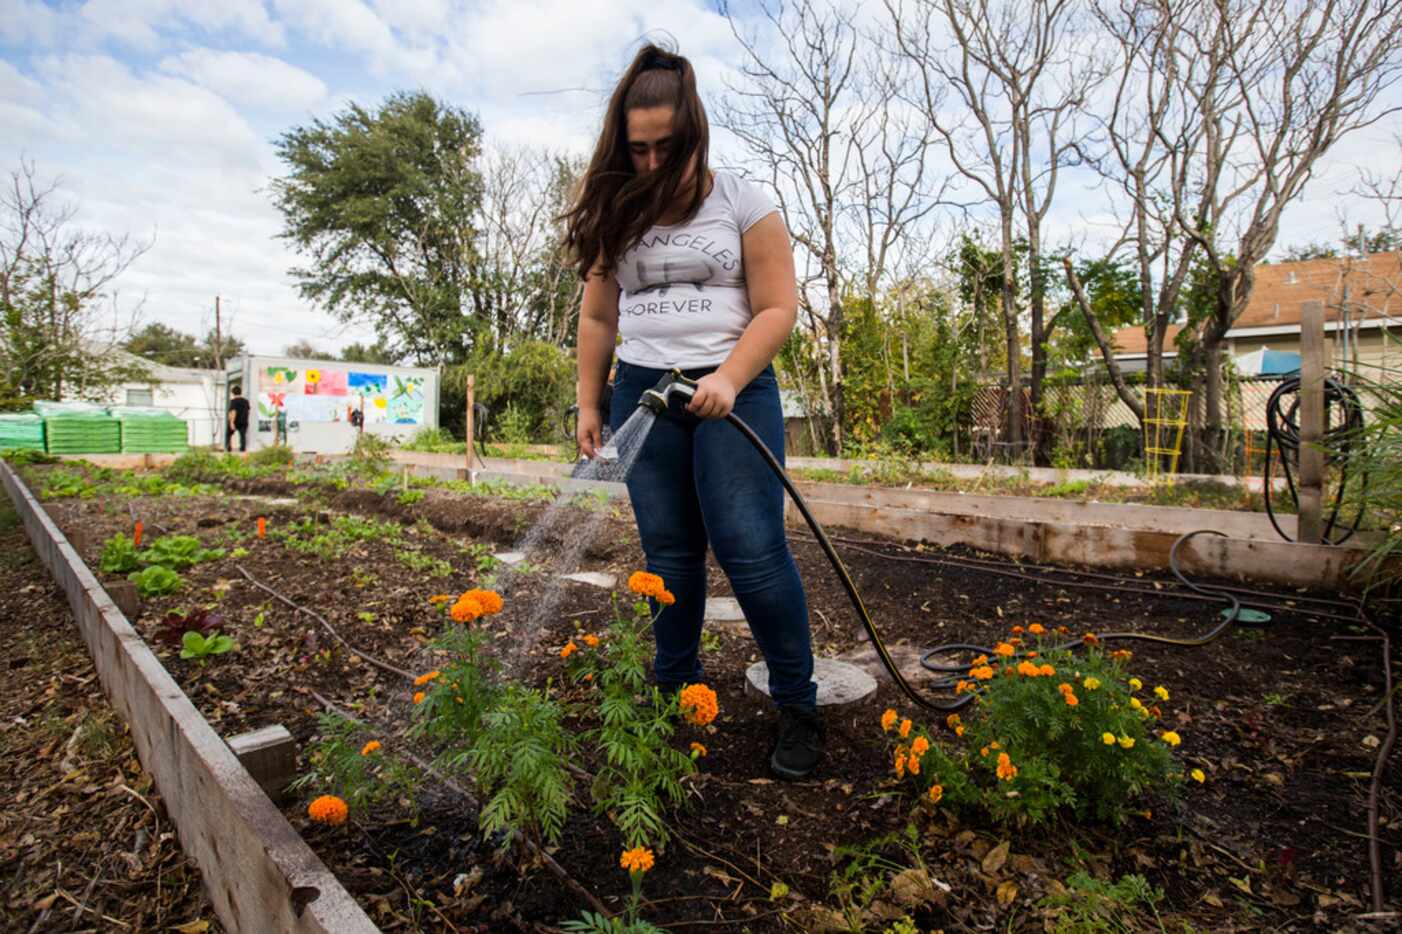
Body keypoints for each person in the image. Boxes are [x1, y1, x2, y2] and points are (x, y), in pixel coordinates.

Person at [565, 43, 822, 780]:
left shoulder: (744, 200)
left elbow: (778, 307)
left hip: (732, 394)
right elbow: (598, 319)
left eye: (664, 149)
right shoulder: (619, 210)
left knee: (750, 548)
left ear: (695, 135)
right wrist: (589, 401)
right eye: (636, 149)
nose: (649, 164)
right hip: (643, 393)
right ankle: (673, 689)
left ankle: (798, 703)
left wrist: (732, 377)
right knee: (669, 554)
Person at [226, 386, 250, 452]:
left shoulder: (233, 401)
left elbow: (233, 411)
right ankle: (242, 449)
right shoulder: (246, 401)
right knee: (242, 436)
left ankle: (228, 447)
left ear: (233, 393)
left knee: (228, 434)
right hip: (244, 421)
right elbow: (248, 411)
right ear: (240, 392)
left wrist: (232, 422)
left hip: (235, 421)